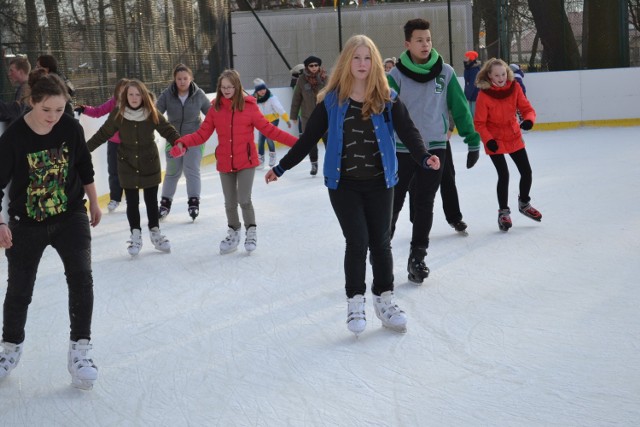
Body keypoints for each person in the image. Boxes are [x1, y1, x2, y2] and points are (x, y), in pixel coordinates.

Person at [264, 35, 441, 336]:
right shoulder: (333, 100)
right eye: (356, 58)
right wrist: (281, 167)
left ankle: (384, 300)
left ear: (375, 63)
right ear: (347, 62)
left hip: (381, 182)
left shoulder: (386, 98)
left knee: (381, 244)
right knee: (357, 242)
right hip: (343, 184)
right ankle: (355, 301)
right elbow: (308, 138)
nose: (362, 64)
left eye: (367, 58)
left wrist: (424, 157)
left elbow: (408, 131)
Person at [0, 70, 101, 390]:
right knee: (19, 290)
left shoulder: (69, 127)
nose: (54, 117)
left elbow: (84, 165)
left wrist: (95, 203)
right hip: (26, 222)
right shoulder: (13, 137)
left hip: (71, 215)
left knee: (82, 279)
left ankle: (80, 350)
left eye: (59, 110)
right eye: (47, 110)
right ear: (32, 102)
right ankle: (9, 348)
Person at [387, 18, 481, 284]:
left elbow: (460, 108)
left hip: (436, 147)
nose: (425, 44)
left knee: (425, 202)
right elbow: (382, 113)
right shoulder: (395, 76)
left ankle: (418, 257)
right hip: (403, 149)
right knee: (394, 201)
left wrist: (472, 140)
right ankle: (382, 249)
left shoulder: (446, 72)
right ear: (407, 44)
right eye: (419, 40)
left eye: (428, 39)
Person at [170, 70, 298, 255]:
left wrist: (298, 144)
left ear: (237, 87)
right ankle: (233, 231)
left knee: (244, 199)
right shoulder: (215, 109)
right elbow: (202, 134)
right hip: (225, 162)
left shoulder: (249, 107)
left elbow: (270, 130)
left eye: (230, 87)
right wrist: (183, 142)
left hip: (246, 161)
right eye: (223, 87)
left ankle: (251, 231)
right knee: (230, 203)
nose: (227, 90)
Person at [87, 79, 180, 256]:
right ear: (125, 96)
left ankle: (155, 233)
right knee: (132, 202)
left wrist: (179, 141)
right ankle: (135, 234)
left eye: (138, 94)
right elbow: (103, 133)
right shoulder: (118, 113)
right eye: (131, 94)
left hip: (149, 162)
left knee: (152, 201)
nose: (134, 98)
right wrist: (85, 149)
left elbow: (167, 129)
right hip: (127, 163)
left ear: (143, 95)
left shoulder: (151, 111)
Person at [474, 58, 541, 231]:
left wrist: (528, 120)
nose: (501, 78)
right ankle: (503, 212)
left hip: (513, 135)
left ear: (507, 73)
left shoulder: (514, 87)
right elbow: (479, 123)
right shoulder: (484, 94)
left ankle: (524, 203)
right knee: (503, 175)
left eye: (503, 74)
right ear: (489, 76)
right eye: (497, 75)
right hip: (494, 139)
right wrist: (488, 140)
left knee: (526, 171)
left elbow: (527, 109)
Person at [157, 64, 211, 221]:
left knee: (191, 170)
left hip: (194, 139)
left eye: (185, 78)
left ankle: (193, 202)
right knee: (172, 172)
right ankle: (165, 204)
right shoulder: (167, 94)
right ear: (174, 79)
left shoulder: (199, 94)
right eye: (179, 79)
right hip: (173, 139)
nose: (182, 82)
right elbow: (156, 112)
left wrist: (204, 132)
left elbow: (211, 113)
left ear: (191, 78)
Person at [75, 78, 129, 213]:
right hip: (114, 143)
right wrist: (84, 109)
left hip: (130, 144)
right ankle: (115, 198)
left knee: (129, 171)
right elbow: (98, 111)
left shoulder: (135, 104)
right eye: (121, 91)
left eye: (127, 91)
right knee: (114, 171)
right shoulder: (113, 103)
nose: (124, 94)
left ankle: (131, 197)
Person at [290, 55, 328, 175]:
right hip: (308, 116)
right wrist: (294, 116)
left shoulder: (325, 78)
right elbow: (297, 98)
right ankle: (314, 165)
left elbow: (334, 94)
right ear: (307, 67)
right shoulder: (301, 80)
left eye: (316, 65)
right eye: (311, 66)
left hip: (325, 115)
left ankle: (331, 163)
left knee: (328, 140)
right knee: (311, 142)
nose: (314, 68)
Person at [253, 78, 292, 169]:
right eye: (260, 90)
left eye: (263, 89)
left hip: (273, 120)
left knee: (269, 138)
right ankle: (261, 159)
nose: (262, 91)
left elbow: (280, 109)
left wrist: (286, 120)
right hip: (262, 121)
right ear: (257, 91)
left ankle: (272, 156)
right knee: (260, 140)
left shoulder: (271, 98)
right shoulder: (254, 99)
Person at [0, 57, 31, 123]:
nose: (9, 74)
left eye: (11, 70)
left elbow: (16, 111)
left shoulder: (26, 88)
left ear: (21, 72)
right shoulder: (25, 87)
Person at [463, 50, 481, 116]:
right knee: (470, 111)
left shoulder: (474, 70)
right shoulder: (468, 68)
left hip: (474, 94)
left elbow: (473, 84)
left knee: (473, 112)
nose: (464, 59)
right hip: (469, 94)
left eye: (466, 57)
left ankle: (474, 125)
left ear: (471, 58)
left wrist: (468, 95)